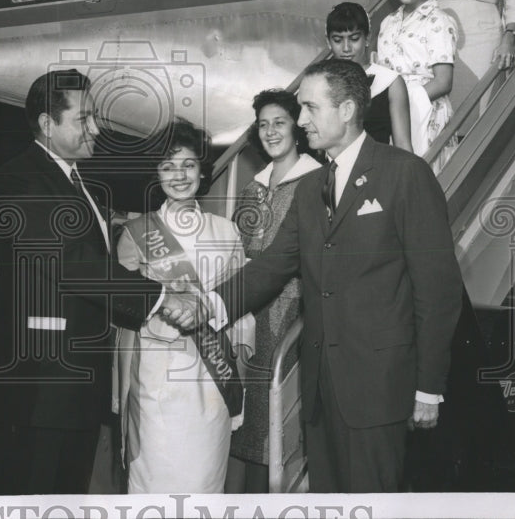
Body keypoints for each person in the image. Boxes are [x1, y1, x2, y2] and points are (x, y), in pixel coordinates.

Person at [165, 59, 463, 493]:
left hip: (379, 389)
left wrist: (429, 387)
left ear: (345, 110)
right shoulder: (311, 188)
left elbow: (438, 288)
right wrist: (206, 304)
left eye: (309, 108)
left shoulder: (405, 173)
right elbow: (270, 267)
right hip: (320, 392)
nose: (300, 121)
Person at [0, 69, 158, 495]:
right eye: (84, 118)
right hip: (38, 392)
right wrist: (160, 296)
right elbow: (73, 264)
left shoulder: (81, 183)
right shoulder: (20, 179)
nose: (95, 128)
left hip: (74, 389)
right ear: (46, 124)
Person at [116, 118, 253, 493]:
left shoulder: (227, 231)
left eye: (189, 165)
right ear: (155, 174)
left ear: (202, 171)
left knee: (204, 487)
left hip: (212, 382)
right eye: (168, 166)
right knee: (154, 485)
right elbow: (121, 318)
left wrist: (237, 356)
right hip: (157, 380)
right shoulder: (135, 234)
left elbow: (241, 305)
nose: (179, 175)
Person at [227, 90, 322, 492]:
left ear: (297, 127)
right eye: (263, 124)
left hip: (294, 313)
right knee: (250, 429)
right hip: (252, 316)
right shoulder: (253, 188)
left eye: (279, 122)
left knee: (286, 428)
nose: (270, 132)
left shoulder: (318, 180)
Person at [373, 0, 458, 171]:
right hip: (393, 116)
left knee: (424, 179)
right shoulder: (388, 22)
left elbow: (443, 81)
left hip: (426, 113)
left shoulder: (438, 20)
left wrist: (402, 103)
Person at [326, 2, 412, 152]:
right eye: (338, 40)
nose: (346, 48)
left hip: (377, 170)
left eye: (354, 39)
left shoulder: (390, 82)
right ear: (328, 41)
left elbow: (403, 145)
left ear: (367, 38)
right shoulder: (320, 80)